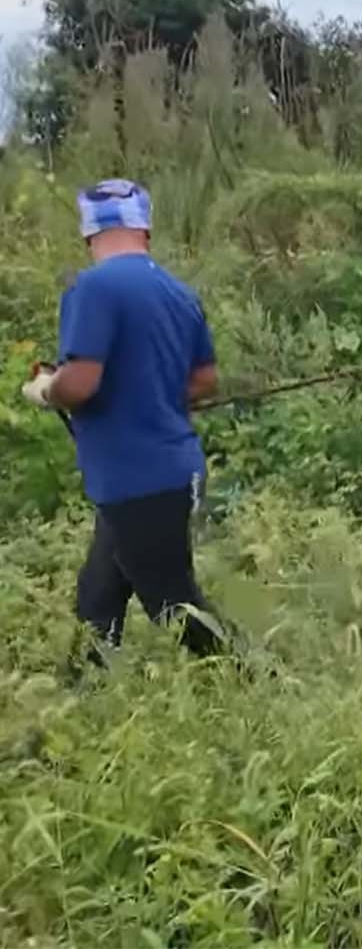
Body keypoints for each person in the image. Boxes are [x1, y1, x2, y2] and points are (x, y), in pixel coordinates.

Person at [21, 177, 225, 660]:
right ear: (144, 229)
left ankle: (262, 685)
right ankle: (87, 696)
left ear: (89, 234)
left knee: (174, 608)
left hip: (138, 480)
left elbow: (81, 383)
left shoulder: (93, 288)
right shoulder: (178, 292)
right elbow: (205, 380)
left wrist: (46, 388)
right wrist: (147, 395)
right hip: (172, 469)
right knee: (99, 595)